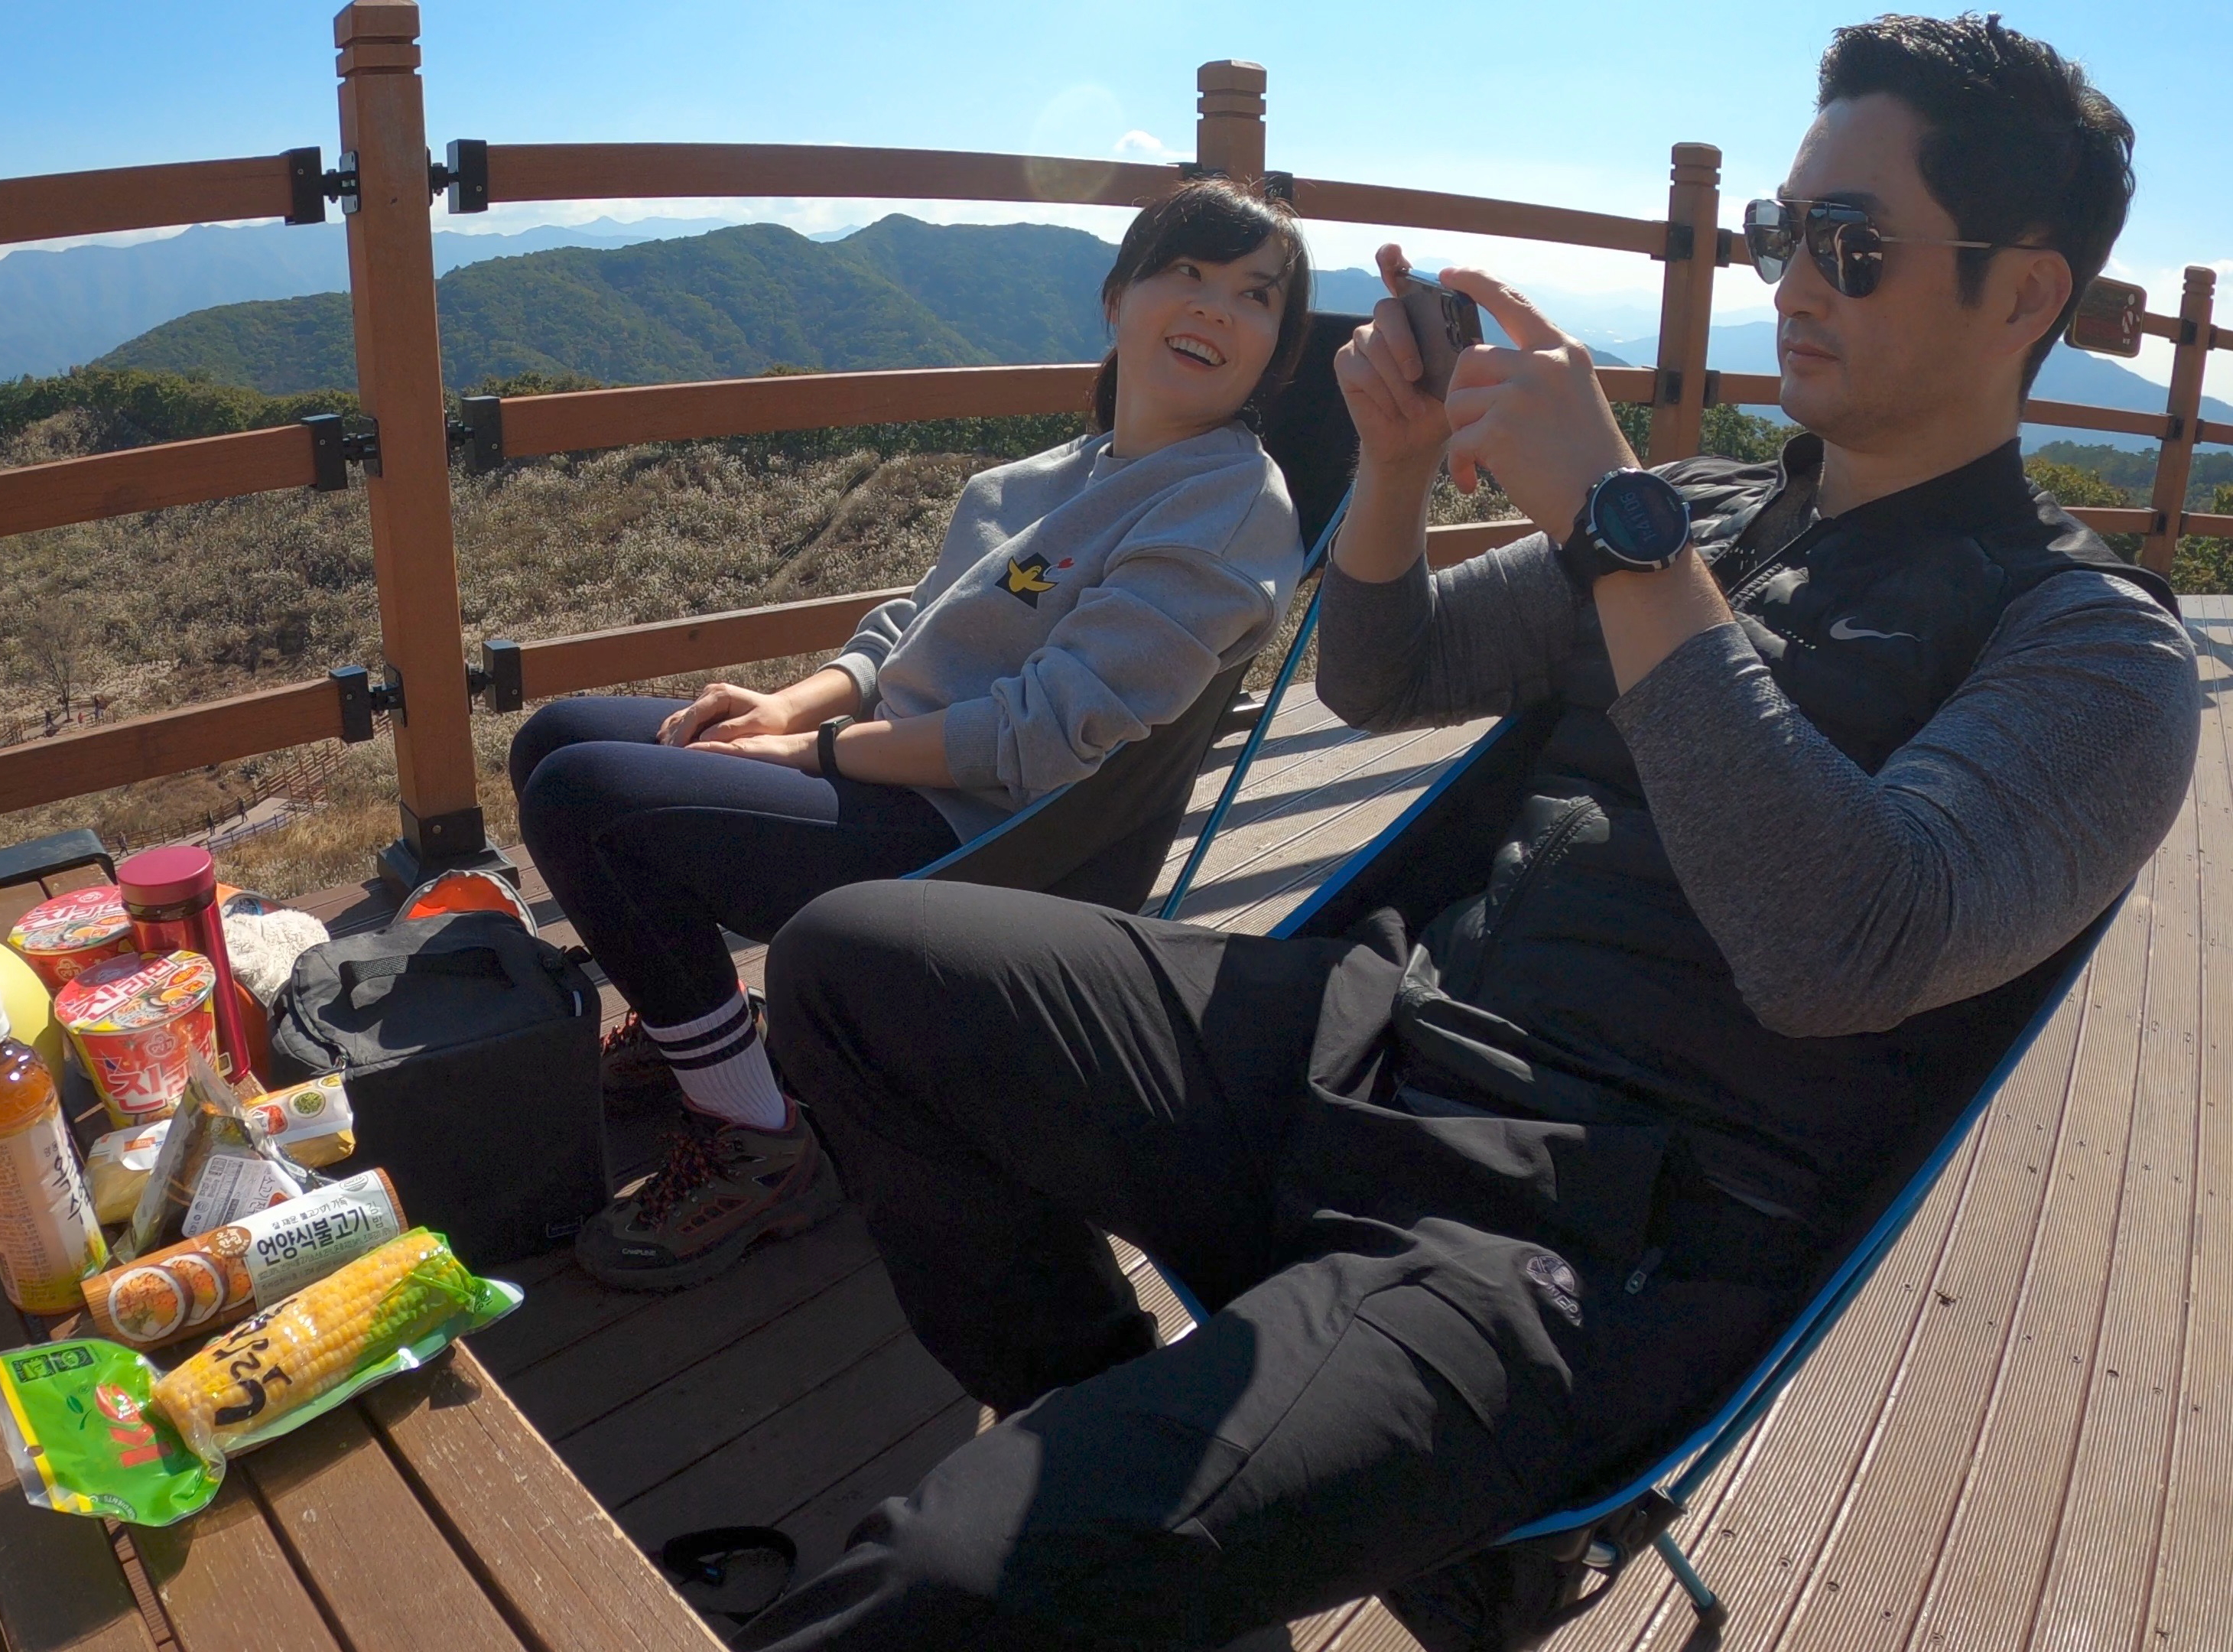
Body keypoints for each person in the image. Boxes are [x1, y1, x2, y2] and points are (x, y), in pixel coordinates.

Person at [732, 15, 2199, 1647]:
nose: (1793, 279)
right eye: (1780, 231)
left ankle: (1164, 1531)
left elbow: (1833, 946)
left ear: (2025, 295)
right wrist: (1396, 468)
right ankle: (1122, 1446)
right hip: (1367, 1032)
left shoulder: (2092, 652)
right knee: (850, 966)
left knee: (939, 1588)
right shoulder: (1712, 510)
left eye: (1849, 243)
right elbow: (1386, 670)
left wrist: (1619, 530)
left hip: (1567, 1238)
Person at [510, 177, 1317, 1289]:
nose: (1217, 307)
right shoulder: (1064, 473)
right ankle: (698, 1020)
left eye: (1256, 294)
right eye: (1187, 271)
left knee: (588, 803)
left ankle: (759, 1134)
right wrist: (793, 705)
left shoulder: (1224, 505)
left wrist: (816, 752)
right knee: (554, 737)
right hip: (892, 763)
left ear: (1276, 350)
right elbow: (915, 623)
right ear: (1118, 297)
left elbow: (1042, 737)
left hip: (987, 837)